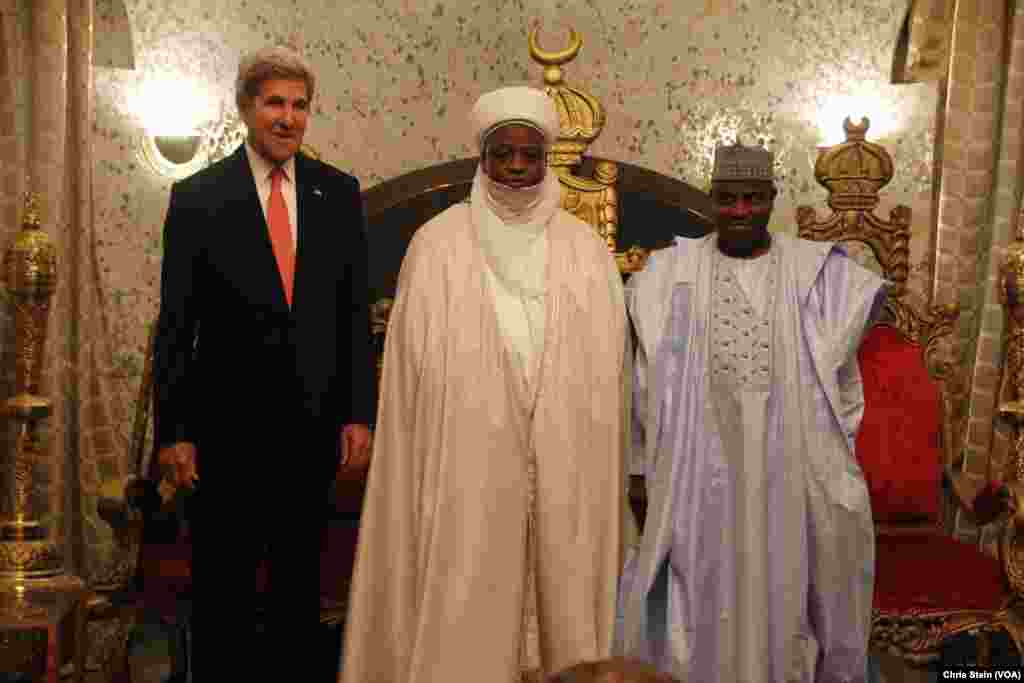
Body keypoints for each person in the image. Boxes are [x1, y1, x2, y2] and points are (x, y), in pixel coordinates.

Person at [339, 86, 631, 683]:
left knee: (564, 589)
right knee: (465, 579)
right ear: (484, 158)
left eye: (530, 155)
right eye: (505, 155)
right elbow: (411, 377)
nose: (518, 168)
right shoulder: (436, 245)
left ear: (547, 158)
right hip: (463, 460)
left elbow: (610, 372)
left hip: (564, 458)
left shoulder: (585, 251)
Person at [616, 140, 886, 682]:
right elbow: (643, 382)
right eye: (728, 198)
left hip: (789, 465)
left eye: (753, 198)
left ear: (772, 198)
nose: (740, 211)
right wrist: (642, 465)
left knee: (785, 581)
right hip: (698, 470)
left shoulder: (818, 274)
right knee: (698, 581)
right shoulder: (669, 273)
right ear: (713, 199)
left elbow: (844, 387)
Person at [152, 46, 377, 680]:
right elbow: (176, 326)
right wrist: (175, 433)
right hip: (224, 435)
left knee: (298, 598)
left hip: (310, 432)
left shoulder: (338, 193)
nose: (288, 118)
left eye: (299, 105)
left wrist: (360, 415)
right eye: (275, 102)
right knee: (223, 598)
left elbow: (353, 316)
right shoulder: (198, 197)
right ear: (247, 108)